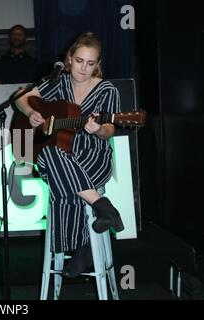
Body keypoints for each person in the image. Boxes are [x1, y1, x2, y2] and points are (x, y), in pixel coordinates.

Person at [15, 32, 125, 278]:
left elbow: (110, 130)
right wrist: (31, 112)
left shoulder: (107, 90)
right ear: (69, 59)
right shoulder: (58, 82)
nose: (83, 68)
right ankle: (101, 207)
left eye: (90, 63)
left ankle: (81, 249)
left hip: (93, 156)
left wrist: (99, 130)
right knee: (52, 155)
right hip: (60, 155)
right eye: (79, 61)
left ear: (98, 64)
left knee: (59, 172)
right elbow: (21, 97)